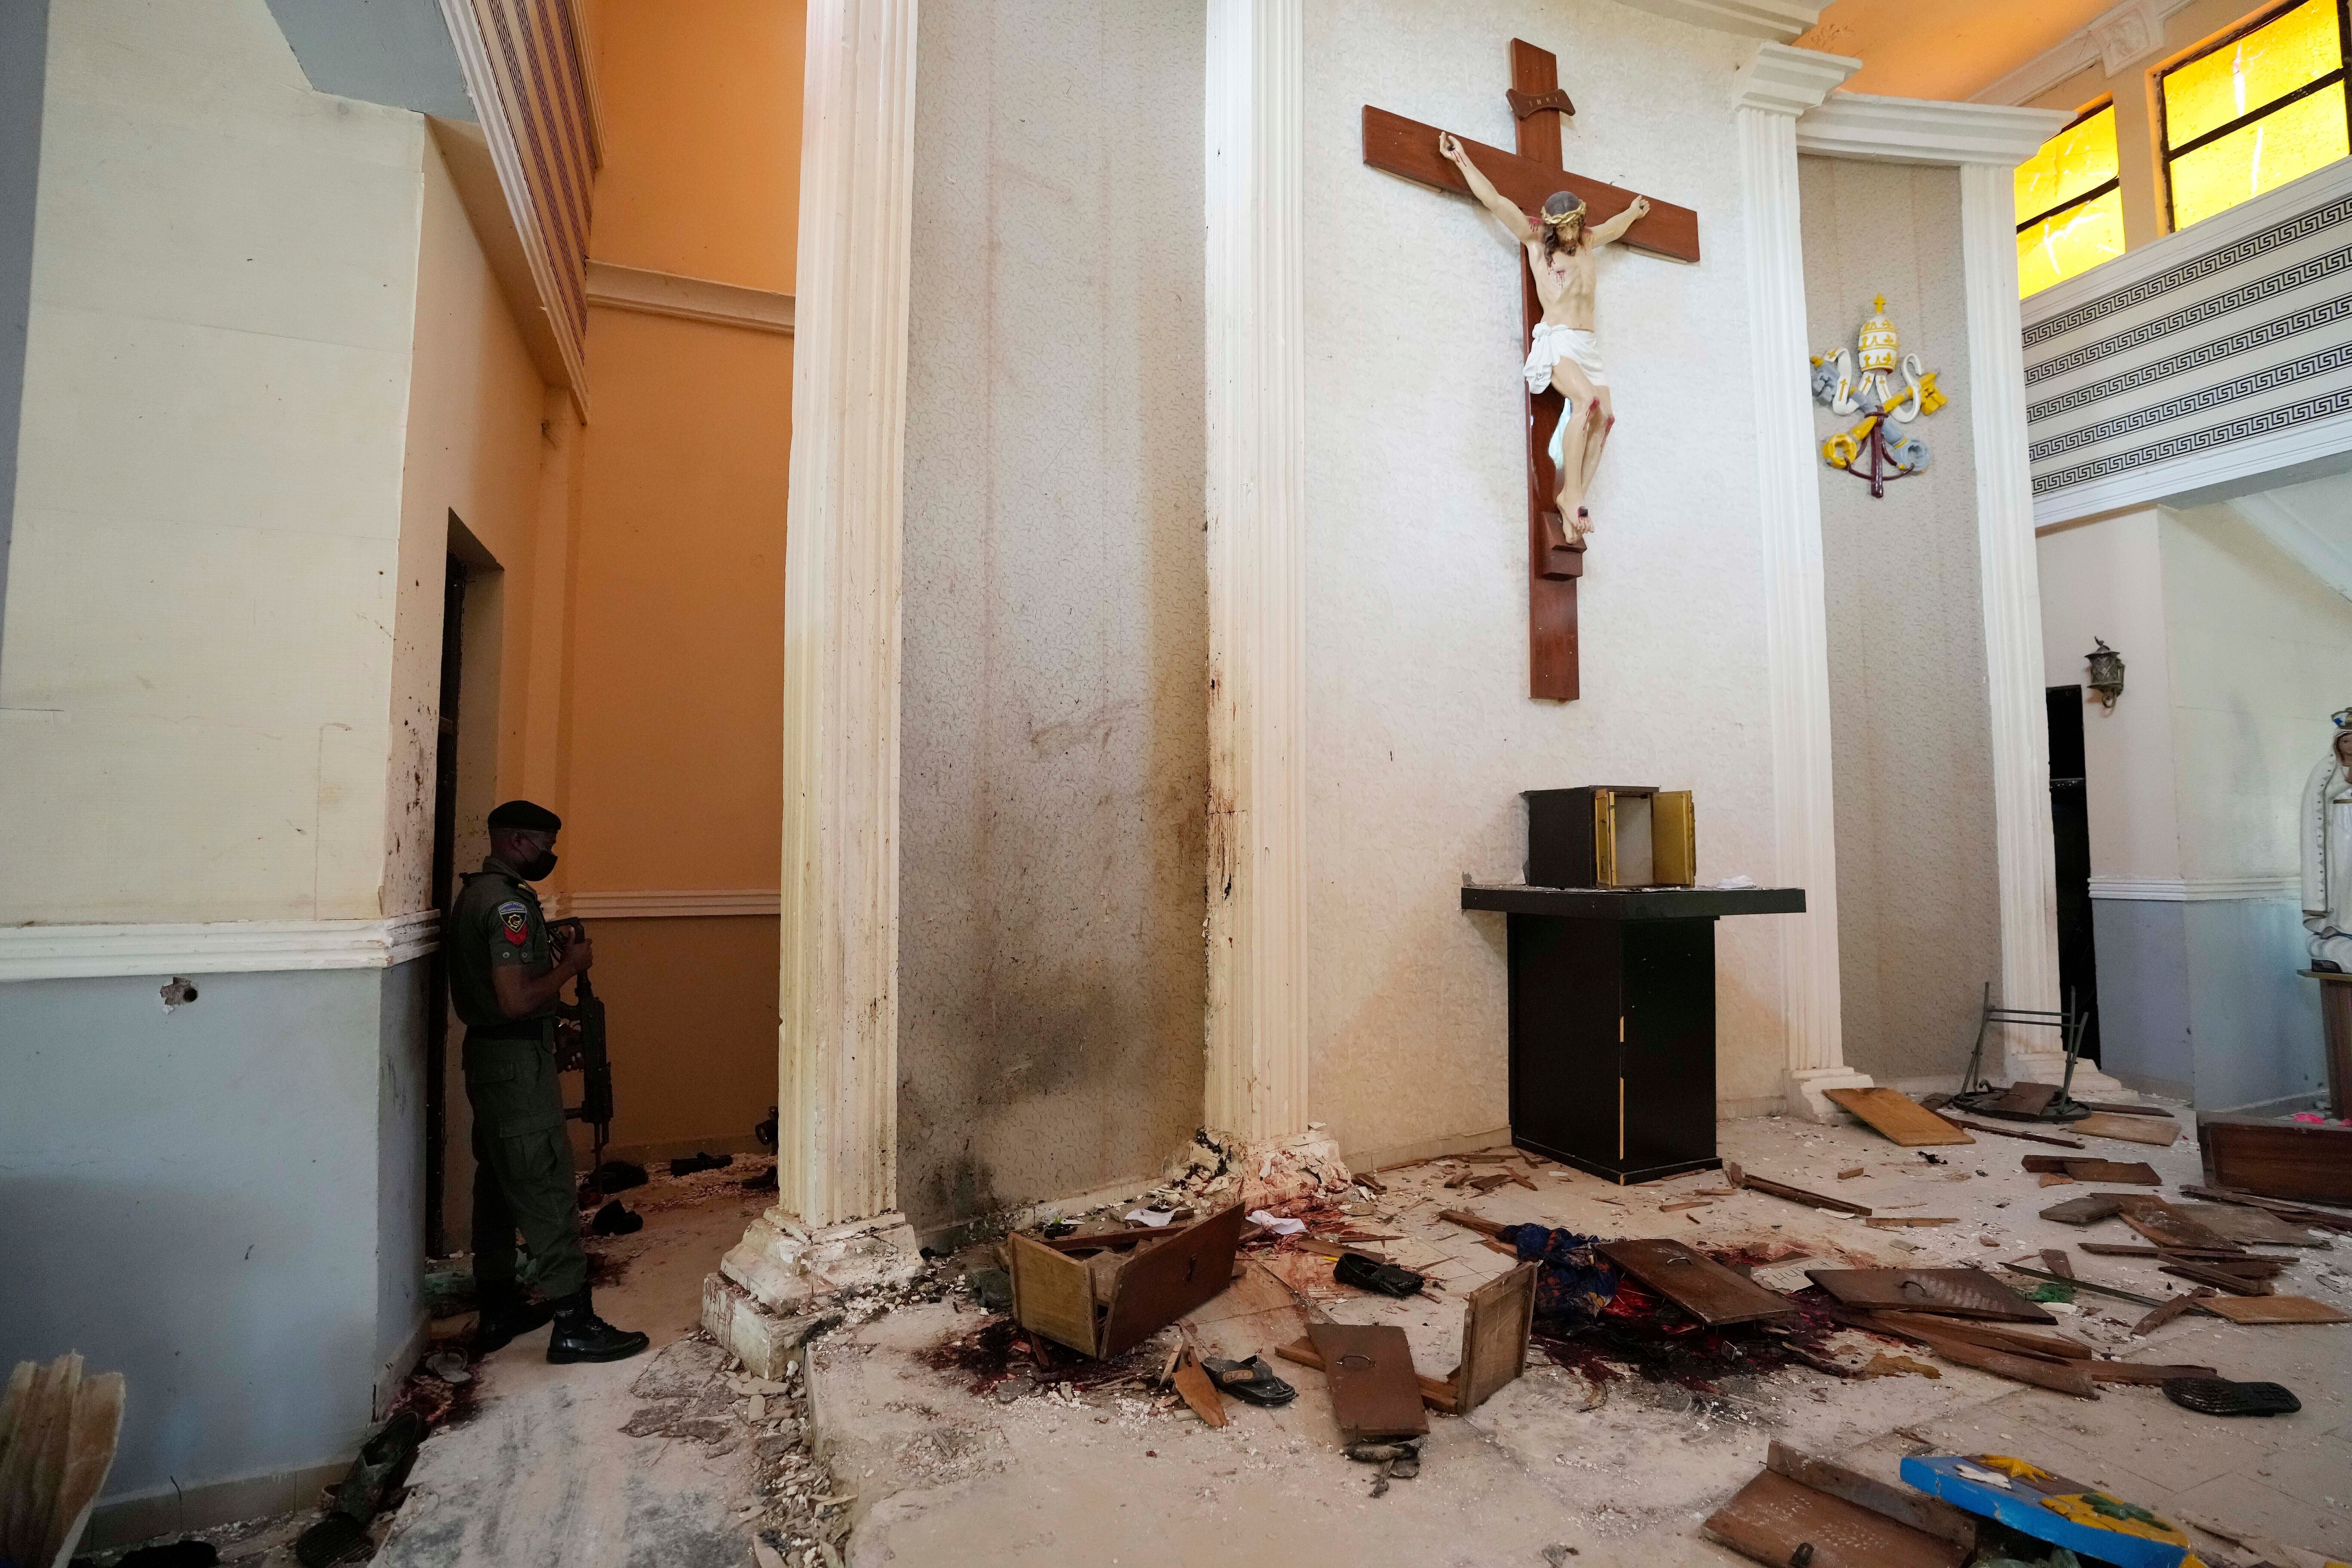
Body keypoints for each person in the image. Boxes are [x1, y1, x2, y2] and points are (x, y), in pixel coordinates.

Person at [448, 799, 649, 1363]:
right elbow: (513, 999)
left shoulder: (479, 896)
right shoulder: (507, 906)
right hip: (515, 1065)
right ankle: (574, 1322)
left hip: (492, 1062)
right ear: (514, 841)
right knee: (544, 1184)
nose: (549, 856)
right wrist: (570, 967)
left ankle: (498, 1307)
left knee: (497, 1188)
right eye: (543, 845)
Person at [1438, 131, 1650, 546]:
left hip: (1589, 346)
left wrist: (1634, 213)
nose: (1572, 234)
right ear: (1552, 226)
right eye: (1565, 228)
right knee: (1586, 403)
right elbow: (1497, 203)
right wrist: (1461, 160)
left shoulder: (1589, 240)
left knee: (1606, 419)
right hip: (1559, 342)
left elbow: (1613, 228)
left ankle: (1576, 500)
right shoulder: (1537, 240)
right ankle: (1570, 497)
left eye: (1576, 226)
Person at [2302, 715, 2352, 971]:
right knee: (2342, 877)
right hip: (2340, 829)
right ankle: (2341, 925)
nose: (2351, 745)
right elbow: (2320, 797)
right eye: (2346, 741)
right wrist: (2346, 782)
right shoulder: (2328, 768)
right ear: (2338, 743)